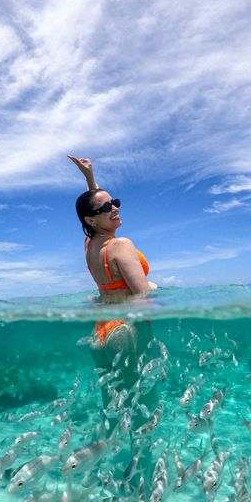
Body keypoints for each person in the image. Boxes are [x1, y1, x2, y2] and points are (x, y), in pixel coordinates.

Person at [68, 154, 160, 452]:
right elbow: (141, 296)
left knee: (113, 405)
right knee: (141, 403)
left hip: (101, 334)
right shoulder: (121, 245)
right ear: (92, 220)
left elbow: (92, 210)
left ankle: (107, 460)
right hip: (127, 330)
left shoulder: (90, 245)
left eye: (115, 201)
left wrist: (90, 179)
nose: (115, 208)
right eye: (108, 207)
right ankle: (138, 466)